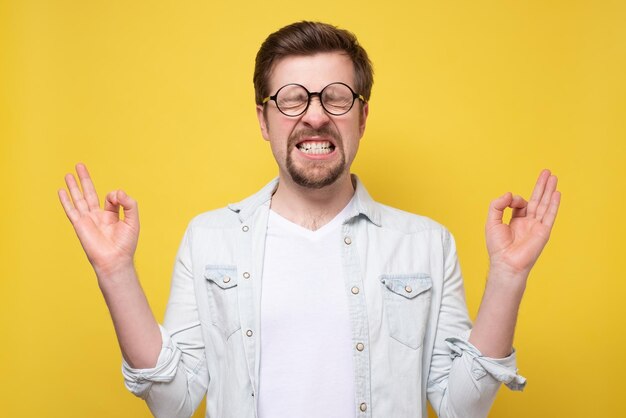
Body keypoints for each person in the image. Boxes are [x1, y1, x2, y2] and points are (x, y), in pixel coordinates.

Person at [58, 21, 561, 418]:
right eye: (292, 98)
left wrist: (508, 278)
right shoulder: (210, 239)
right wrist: (115, 273)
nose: (315, 115)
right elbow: (173, 403)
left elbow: (461, 408)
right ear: (264, 120)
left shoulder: (426, 244)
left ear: (362, 117)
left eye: (336, 97)